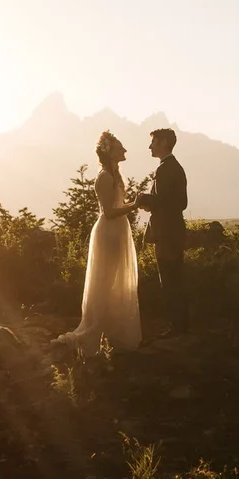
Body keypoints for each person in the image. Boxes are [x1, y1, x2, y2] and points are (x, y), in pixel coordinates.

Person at [55, 131, 142, 354]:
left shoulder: (116, 175)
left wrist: (133, 204)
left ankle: (110, 329)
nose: (124, 151)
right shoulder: (105, 177)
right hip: (109, 232)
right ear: (109, 153)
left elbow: (117, 206)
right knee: (105, 282)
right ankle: (93, 331)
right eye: (120, 148)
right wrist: (134, 205)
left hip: (119, 230)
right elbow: (109, 212)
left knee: (114, 280)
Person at [136, 127, 188, 336]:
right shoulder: (173, 167)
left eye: (154, 142)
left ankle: (177, 326)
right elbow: (177, 202)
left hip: (167, 233)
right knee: (175, 278)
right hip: (173, 231)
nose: (150, 146)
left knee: (169, 280)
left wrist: (145, 200)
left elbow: (173, 202)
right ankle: (181, 324)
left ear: (164, 142)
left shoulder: (166, 169)